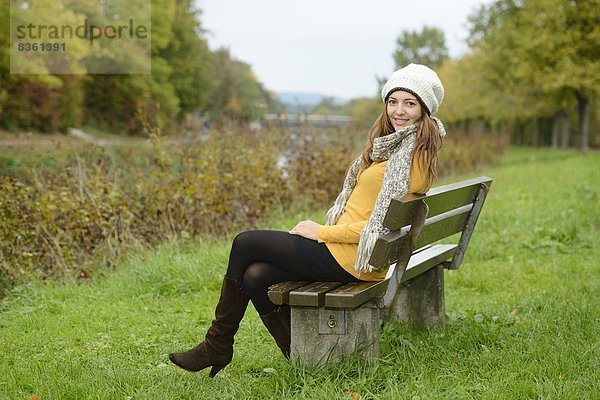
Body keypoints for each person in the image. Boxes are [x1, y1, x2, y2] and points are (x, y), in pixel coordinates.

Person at [169, 63, 446, 377]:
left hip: (352, 258)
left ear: (424, 110)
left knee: (245, 242)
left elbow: (379, 227)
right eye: (393, 101)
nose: (399, 111)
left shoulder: (409, 158)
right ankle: (301, 356)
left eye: (410, 104)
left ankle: (217, 344)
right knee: (256, 275)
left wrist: (322, 232)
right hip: (357, 255)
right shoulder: (402, 149)